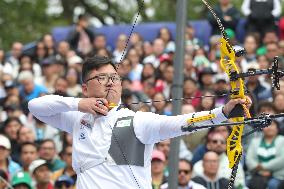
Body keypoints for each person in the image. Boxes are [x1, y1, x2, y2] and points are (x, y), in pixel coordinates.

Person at [28, 55, 250, 189]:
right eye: (101, 78)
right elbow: (35, 106)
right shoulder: (77, 118)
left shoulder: (138, 121)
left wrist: (223, 112)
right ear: (85, 88)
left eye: (114, 78)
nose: (110, 83)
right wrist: (79, 104)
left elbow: (183, 122)